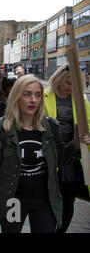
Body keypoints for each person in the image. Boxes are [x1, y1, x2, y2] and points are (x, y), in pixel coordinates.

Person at [0, 74, 90, 233]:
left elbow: (58, 159)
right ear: (17, 96)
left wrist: (75, 144)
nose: (33, 100)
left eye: (38, 95)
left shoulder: (50, 126)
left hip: (43, 199)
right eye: (27, 94)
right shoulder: (3, 128)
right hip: (13, 200)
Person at [44, 63, 90, 233]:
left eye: (77, 84)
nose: (72, 87)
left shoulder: (81, 100)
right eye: (69, 83)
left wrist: (87, 137)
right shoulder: (44, 96)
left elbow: (89, 125)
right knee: (48, 200)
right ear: (59, 80)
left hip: (71, 160)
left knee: (68, 201)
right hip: (50, 158)